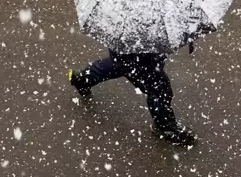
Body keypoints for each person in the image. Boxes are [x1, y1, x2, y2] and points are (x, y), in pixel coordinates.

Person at [68, 50, 197, 146]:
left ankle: (82, 79)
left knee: (119, 63)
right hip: (142, 52)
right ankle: (164, 126)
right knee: (158, 87)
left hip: (130, 41)